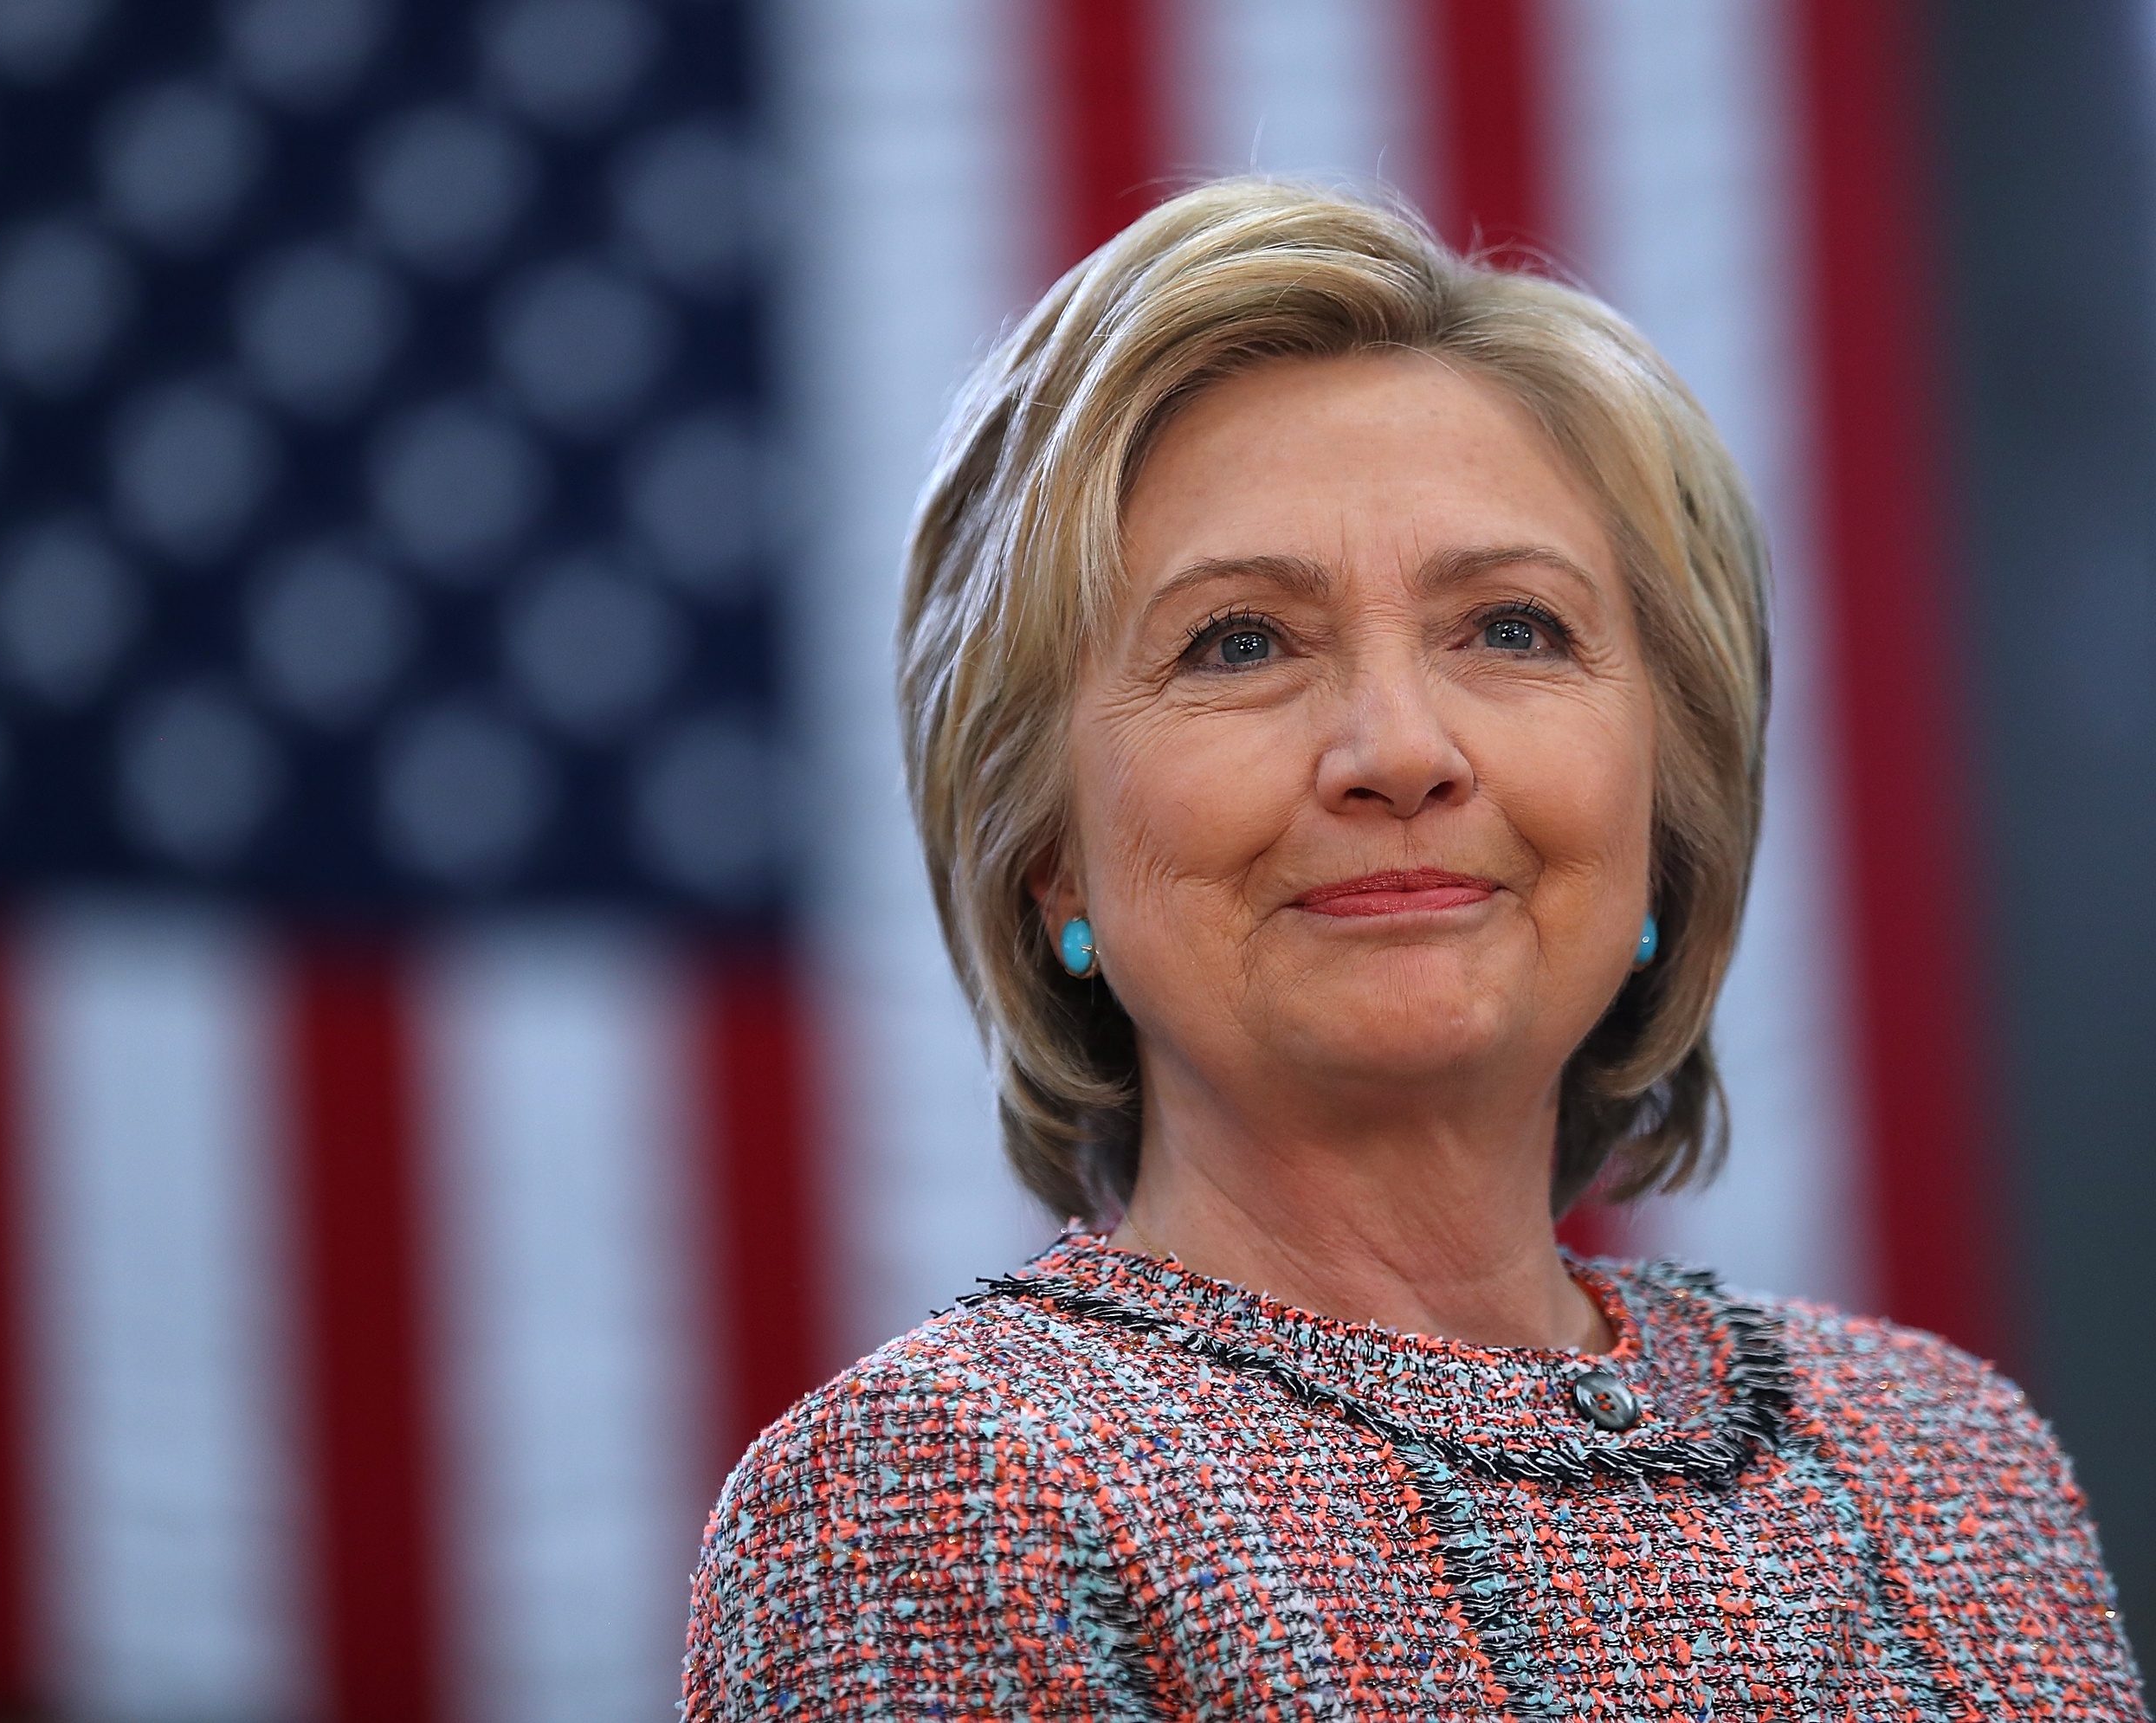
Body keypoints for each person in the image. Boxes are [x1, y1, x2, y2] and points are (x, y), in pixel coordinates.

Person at [681, 179, 2146, 1718]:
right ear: (1049, 858)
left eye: (1510, 627)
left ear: (1668, 806)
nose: (1398, 750)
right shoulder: (934, 1496)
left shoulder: (1947, 1451)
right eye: (1239, 641)